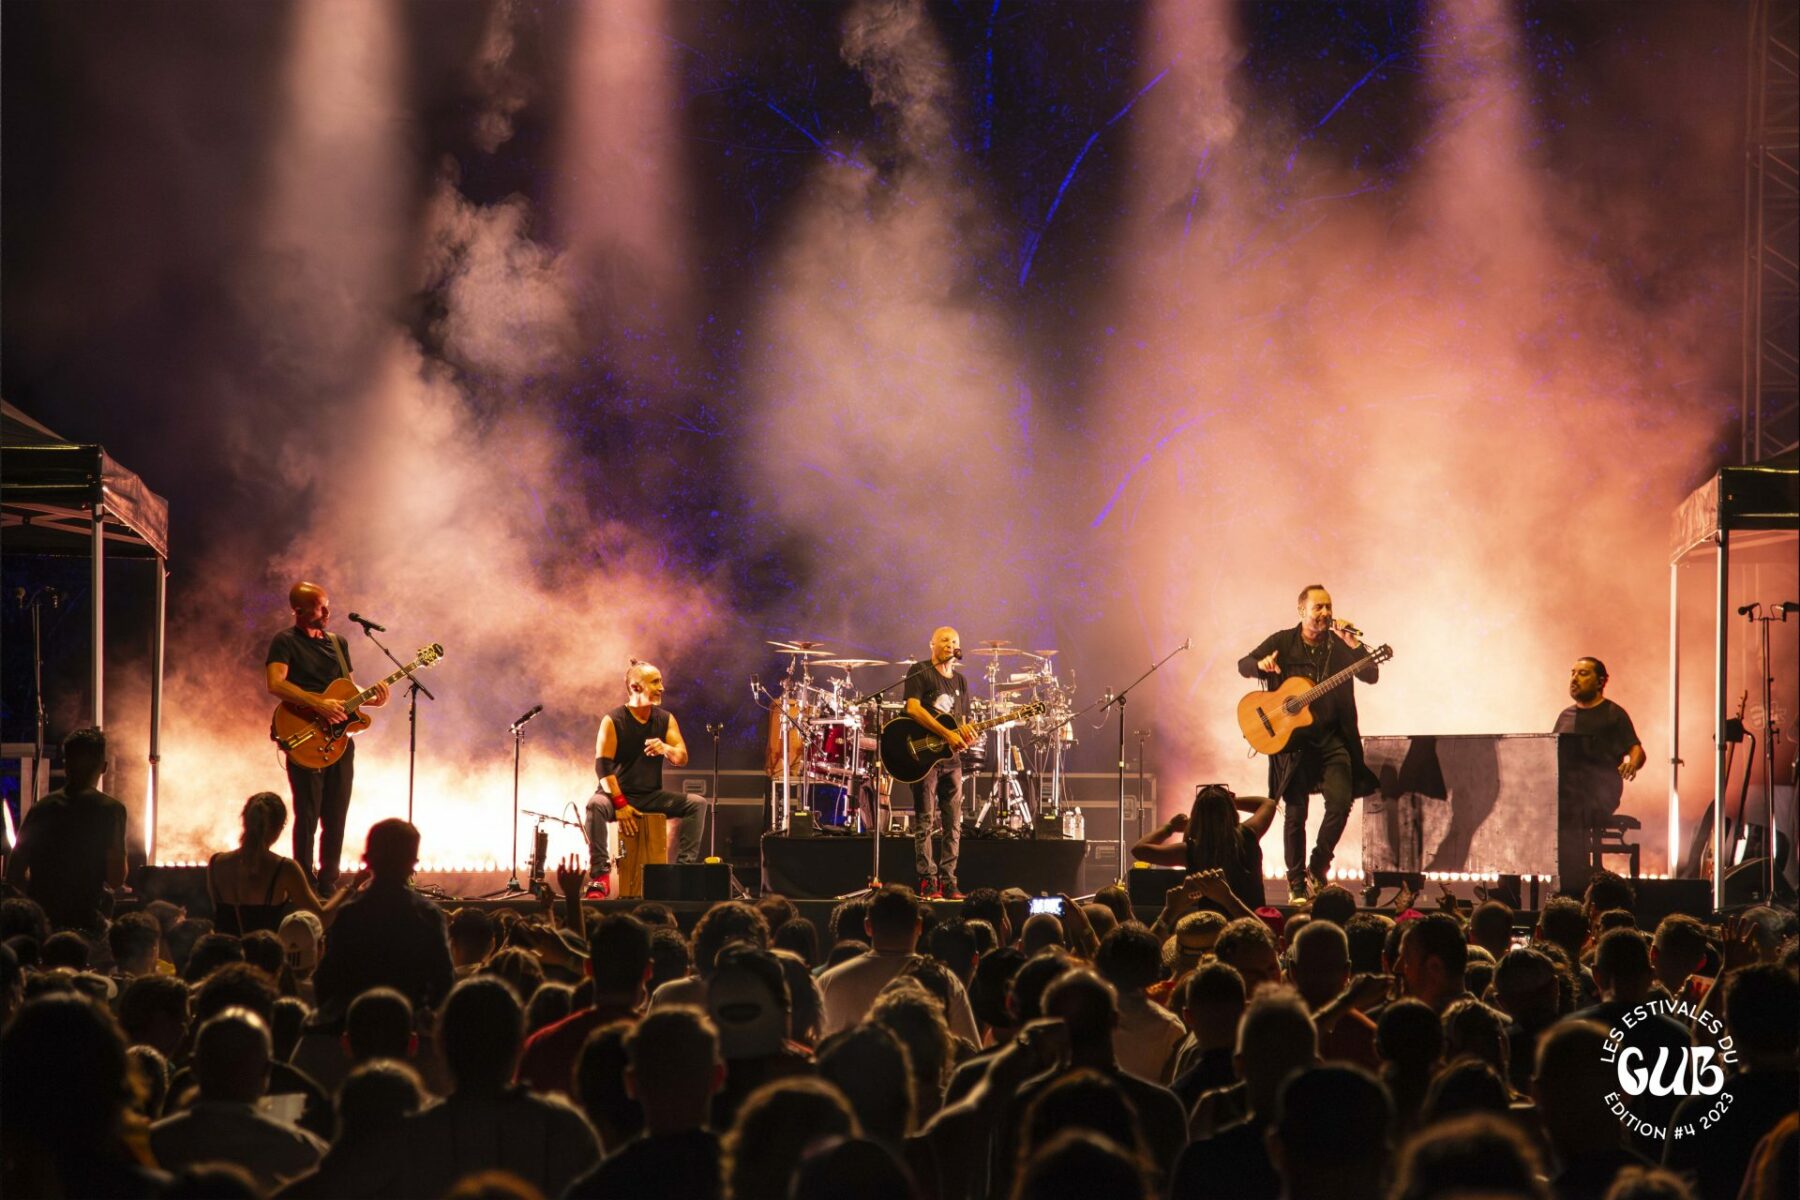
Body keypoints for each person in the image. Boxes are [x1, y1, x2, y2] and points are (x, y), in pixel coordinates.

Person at [1238, 585, 1381, 898]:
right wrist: (1260, 665)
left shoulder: (1340, 645)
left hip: (1333, 738)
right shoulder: (1282, 642)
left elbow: (1371, 675)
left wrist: (1355, 647)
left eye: (1328, 607)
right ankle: (1296, 883)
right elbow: (1243, 664)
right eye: (1318, 608)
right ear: (1301, 611)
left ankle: (1318, 864)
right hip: (1292, 743)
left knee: (1341, 803)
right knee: (1295, 812)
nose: (1325, 613)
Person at [265, 581, 389, 893]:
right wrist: (317, 703)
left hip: (339, 739)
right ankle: (302, 883)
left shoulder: (337, 643)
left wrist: (371, 697)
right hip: (304, 734)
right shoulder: (284, 641)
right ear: (300, 611)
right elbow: (275, 684)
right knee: (307, 814)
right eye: (321, 607)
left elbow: (348, 688)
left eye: (327, 605)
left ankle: (328, 882)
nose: (327, 612)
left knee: (336, 813)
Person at [310, 819, 454, 1023]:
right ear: (412, 862)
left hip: (358, 1028)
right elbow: (443, 982)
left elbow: (325, 980)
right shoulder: (427, 914)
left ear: (367, 860)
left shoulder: (349, 915)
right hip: (407, 1028)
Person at [583, 660, 705, 897]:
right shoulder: (613, 720)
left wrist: (666, 748)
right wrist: (621, 805)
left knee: (697, 804)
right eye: (655, 682)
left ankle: (683, 873)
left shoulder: (665, 719)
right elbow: (603, 769)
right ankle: (600, 876)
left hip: (649, 796)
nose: (662, 687)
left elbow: (682, 757)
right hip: (614, 796)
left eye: (660, 681)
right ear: (636, 687)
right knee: (595, 805)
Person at [5, 726, 126, 932]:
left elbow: (14, 874)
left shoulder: (40, 809)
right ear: (103, 766)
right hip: (88, 922)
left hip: (45, 923)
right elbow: (116, 878)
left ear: (66, 765)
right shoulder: (111, 810)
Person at [207, 792, 362, 935]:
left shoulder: (216, 863)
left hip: (222, 958)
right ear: (279, 828)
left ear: (245, 822)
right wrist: (351, 887)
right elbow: (320, 919)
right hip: (265, 959)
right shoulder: (284, 868)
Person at [1553, 656, 1644, 893]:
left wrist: (1632, 764)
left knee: (1569, 812)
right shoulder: (1564, 716)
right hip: (1566, 795)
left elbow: (1636, 749)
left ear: (1601, 681)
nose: (1574, 678)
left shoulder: (1614, 714)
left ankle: (1573, 886)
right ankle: (1506, 890)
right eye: (1572, 672)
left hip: (1598, 794)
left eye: (1583, 673)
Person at [901, 626, 976, 900]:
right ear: (931, 643)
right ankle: (927, 882)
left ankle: (949, 881)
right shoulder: (920, 672)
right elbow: (912, 708)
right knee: (924, 820)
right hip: (925, 758)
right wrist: (945, 733)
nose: (949, 644)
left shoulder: (962, 681)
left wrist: (966, 735)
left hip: (952, 760)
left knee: (953, 822)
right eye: (944, 640)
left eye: (954, 641)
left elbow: (963, 722)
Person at [1133, 783, 1277, 908]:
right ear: (1230, 811)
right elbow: (1268, 803)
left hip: (1213, 927)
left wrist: (1170, 828)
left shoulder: (1191, 850)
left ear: (1197, 815)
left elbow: (1139, 850)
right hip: (1251, 922)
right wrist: (1229, 800)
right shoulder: (1248, 834)